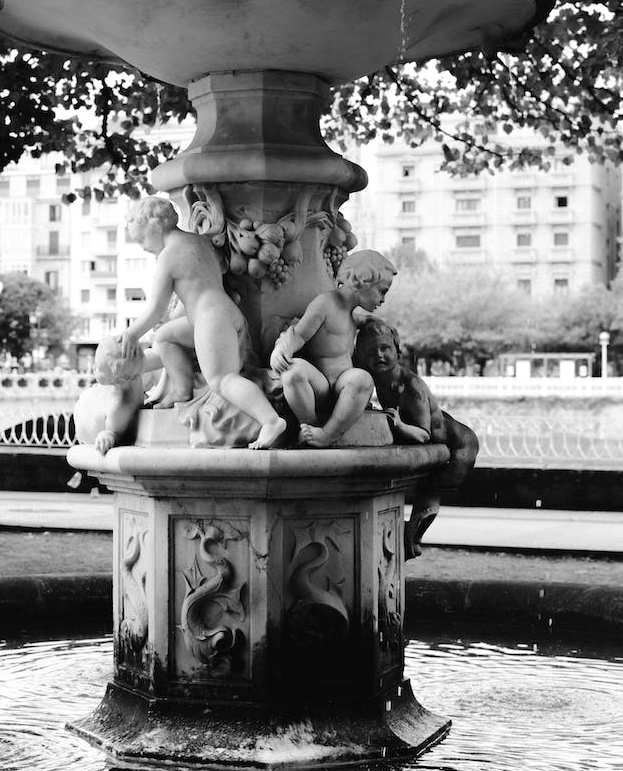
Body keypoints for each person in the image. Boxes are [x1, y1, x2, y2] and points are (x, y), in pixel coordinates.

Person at [119, 197, 286, 450]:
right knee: (164, 337)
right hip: (220, 313)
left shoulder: (168, 256)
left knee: (222, 379)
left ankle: (270, 421)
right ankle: (182, 391)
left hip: (212, 319)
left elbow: (156, 309)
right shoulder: (196, 241)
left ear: (155, 225)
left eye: (141, 238)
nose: (142, 246)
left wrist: (132, 334)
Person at [353, 318, 479, 559]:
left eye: (385, 348)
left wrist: (399, 425)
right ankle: (402, 546)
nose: (378, 355)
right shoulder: (376, 375)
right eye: (370, 351)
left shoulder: (411, 387)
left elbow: (424, 435)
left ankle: (409, 544)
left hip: (460, 446)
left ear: (397, 352)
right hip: (440, 439)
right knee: (418, 497)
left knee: (428, 496)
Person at [269, 250, 397, 447]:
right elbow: (299, 334)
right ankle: (309, 425)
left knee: (362, 379)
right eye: (382, 291)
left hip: (344, 387)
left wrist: (375, 322)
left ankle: (328, 434)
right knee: (292, 372)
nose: (383, 300)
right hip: (318, 386)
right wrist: (281, 349)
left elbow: (361, 320)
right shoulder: (325, 303)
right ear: (362, 280)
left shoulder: (351, 313)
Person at [73, 336, 158, 454]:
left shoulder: (116, 403)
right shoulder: (117, 397)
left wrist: (109, 435)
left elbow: (117, 432)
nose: (93, 367)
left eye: (98, 367)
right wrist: (109, 435)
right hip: (91, 431)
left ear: (118, 379)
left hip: (90, 430)